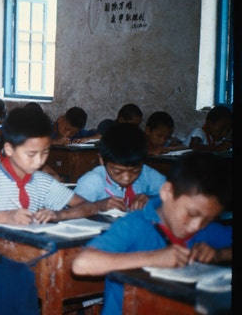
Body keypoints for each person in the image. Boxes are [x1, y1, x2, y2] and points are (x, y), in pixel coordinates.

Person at [0, 107, 103, 313]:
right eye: (31, 154)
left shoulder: (41, 180)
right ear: (9, 149)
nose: (39, 161)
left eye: (45, 152)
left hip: (25, 271)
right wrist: (6, 216)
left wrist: (58, 214)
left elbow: (87, 206)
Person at [71, 151, 232, 315]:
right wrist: (155, 258)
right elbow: (82, 264)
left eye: (207, 219)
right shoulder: (135, 224)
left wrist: (220, 254)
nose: (195, 226)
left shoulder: (205, 229)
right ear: (167, 192)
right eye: (191, 214)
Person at [74, 123, 167, 212]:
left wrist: (152, 200)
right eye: (117, 171)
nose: (126, 178)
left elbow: (175, 194)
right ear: (102, 160)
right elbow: (71, 210)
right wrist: (98, 206)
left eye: (135, 171)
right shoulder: (93, 180)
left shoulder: (146, 173)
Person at [73, 103, 143, 143]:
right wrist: (85, 140)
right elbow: (100, 138)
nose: (135, 129)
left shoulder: (137, 132)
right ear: (121, 120)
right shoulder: (107, 124)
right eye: (132, 125)